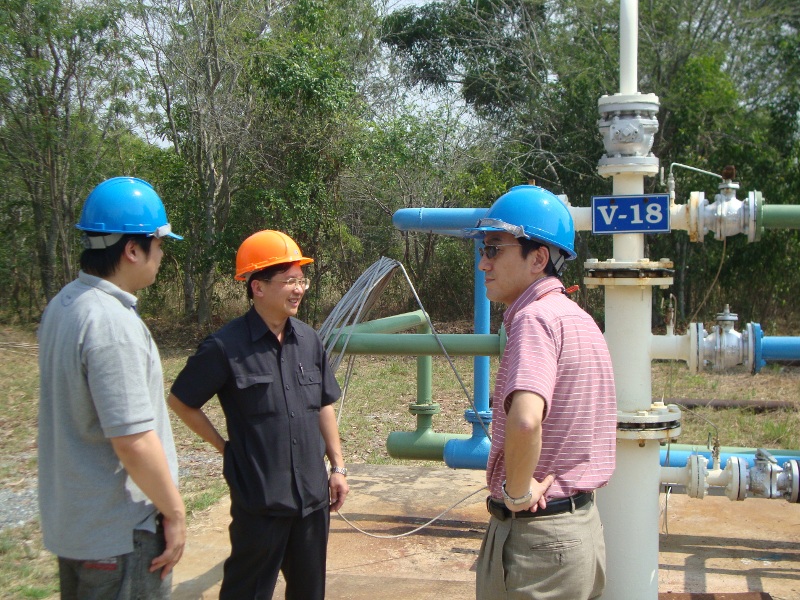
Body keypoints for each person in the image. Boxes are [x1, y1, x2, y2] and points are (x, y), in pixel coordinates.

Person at [168, 229, 349, 599]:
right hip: (260, 500)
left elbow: (323, 404)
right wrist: (225, 447)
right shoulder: (225, 347)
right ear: (258, 287)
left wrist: (338, 468)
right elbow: (181, 400)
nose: (298, 290)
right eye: (289, 281)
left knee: (309, 592)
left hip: (311, 499)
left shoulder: (309, 340)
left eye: (302, 280)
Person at [37, 176, 186, 599]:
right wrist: (175, 513)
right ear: (132, 250)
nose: (161, 255)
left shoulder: (64, 305)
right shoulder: (111, 324)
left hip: (79, 530)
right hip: (122, 538)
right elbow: (133, 441)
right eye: (159, 244)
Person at [465, 184, 617, 599]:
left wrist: (516, 492)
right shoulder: (579, 319)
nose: (483, 263)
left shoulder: (534, 319)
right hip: (579, 532)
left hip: (538, 539)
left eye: (494, 249)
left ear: (538, 258)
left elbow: (526, 421)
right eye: (483, 249)